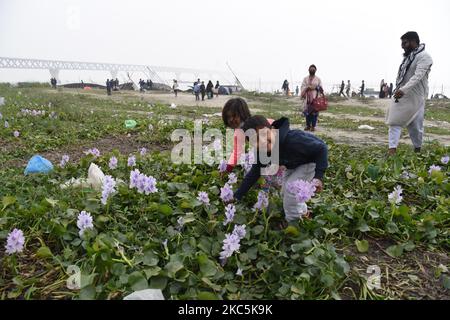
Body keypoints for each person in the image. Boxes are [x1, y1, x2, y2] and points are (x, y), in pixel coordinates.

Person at [233, 115, 328, 222]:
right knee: (285, 192)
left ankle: (294, 223)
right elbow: (254, 173)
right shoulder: (262, 152)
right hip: (293, 165)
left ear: (272, 130)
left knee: (291, 191)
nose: (263, 141)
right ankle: (304, 213)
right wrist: (237, 195)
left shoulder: (292, 139)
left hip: (309, 162)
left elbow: (321, 148)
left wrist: (318, 177)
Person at [386, 31, 433, 156]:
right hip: (401, 94)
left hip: (416, 96)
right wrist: (399, 90)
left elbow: (418, 76)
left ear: (414, 41)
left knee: (415, 126)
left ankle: (417, 150)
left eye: (405, 42)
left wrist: (404, 90)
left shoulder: (424, 57)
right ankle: (392, 151)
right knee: (394, 120)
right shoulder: (408, 58)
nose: (402, 45)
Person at [221, 98, 275, 173]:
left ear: (242, 113)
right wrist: (227, 169)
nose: (231, 120)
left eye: (233, 116)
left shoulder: (259, 123)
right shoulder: (239, 131)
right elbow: (236, 152)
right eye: (228, 117)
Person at [300, 65, 323, 132]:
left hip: (315, 97)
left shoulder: (318, 79)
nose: (312, 70)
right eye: (311, 69)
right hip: (307, 98)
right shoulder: (305, 79)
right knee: (307, 112)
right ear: (308, 70)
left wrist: (314, 88)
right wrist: (307, 88)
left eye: (313, 69)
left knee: (314, 112)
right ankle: (308, 126)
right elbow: (302, 86)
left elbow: (321, 88)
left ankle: (313, 126)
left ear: (315, 70)